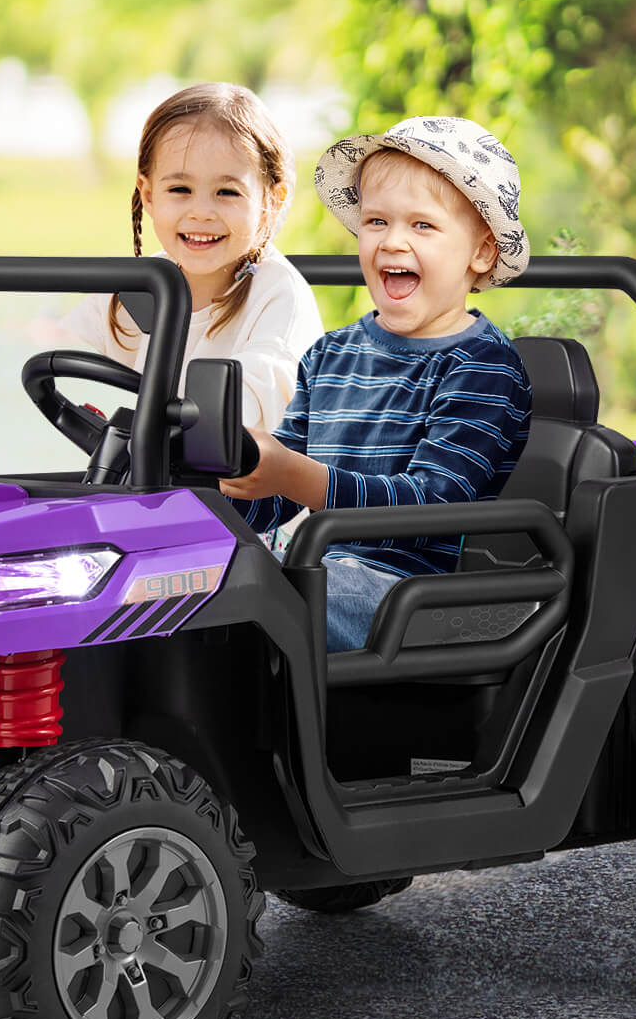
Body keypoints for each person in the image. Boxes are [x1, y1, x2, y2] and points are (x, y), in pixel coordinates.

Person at [220, 115, 533, 653]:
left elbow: (427, 508)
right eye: (376, 221)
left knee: (259, 596)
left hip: (413, 594)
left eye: (423, 226)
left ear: (481, 251)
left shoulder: (483, 367)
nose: (392, 242)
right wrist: (230, 477)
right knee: (186, 578)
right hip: (323, 567)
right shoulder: (330, 354)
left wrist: (296, 476)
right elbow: (276, 494)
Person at [61, 83, 324, 431]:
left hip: (244, 481)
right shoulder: (141, 287)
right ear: (150, 195)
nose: (201, 212)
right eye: (180, 190)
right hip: (153, 478)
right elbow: (62, 350)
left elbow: (253, 400)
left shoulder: (279, 297)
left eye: (227, 192)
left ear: (271, 202)